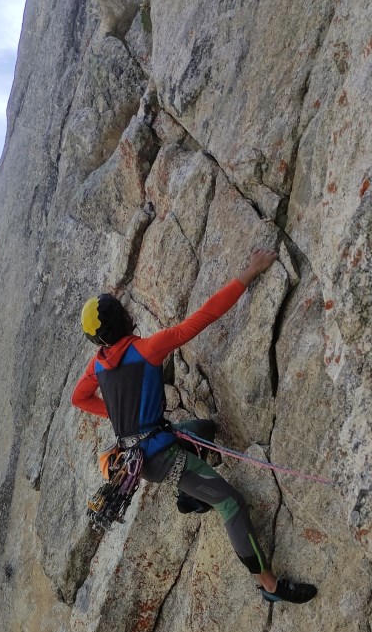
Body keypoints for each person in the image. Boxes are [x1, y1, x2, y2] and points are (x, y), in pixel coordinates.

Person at [71, 248, 317, 604]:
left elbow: (79, 398)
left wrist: (121, 416)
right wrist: (250, 272)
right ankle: (271, 587)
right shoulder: (148, 350)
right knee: (232, 503)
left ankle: (188, 497)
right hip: (162, 458)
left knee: (202, 429)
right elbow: (203, 318)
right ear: (123, 320)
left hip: (138, 454)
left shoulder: (99, 365)